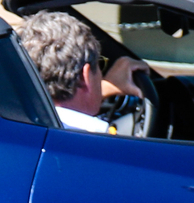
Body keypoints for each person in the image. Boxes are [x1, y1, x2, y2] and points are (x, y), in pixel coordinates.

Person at [13, 10, 150, 133]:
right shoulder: (101, 143)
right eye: (100, 65)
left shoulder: (11, 125)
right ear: (84, 78)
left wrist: (104, 88)